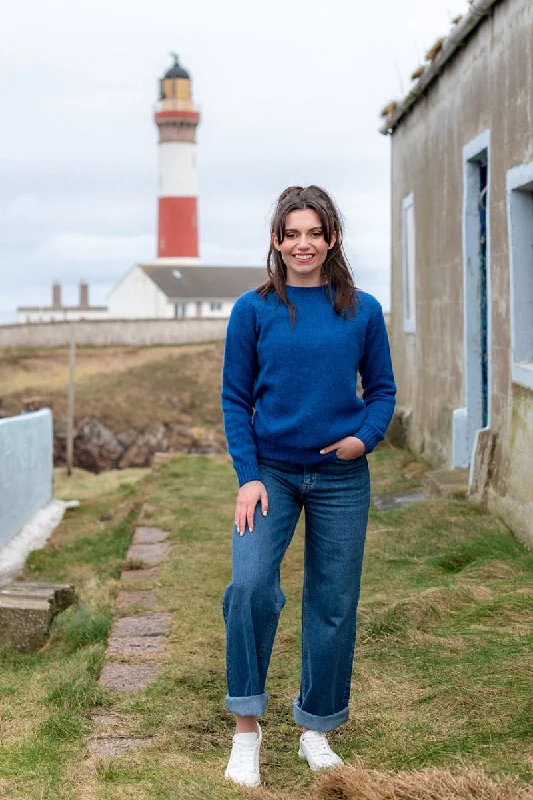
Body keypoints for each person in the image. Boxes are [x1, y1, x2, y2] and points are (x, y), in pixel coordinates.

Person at [221, 185, 396, 788]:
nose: (303, 244)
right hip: (271, 473)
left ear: (332, 239)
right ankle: (247, 729)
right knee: (248, 587)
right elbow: (235, 399)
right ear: (276, 241)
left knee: (333, 601)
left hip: (343, 477)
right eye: (291, 233)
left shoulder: (362, 309)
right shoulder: (253, 310)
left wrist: (364, 438)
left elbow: (382, 391)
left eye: (314, 233)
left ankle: (315, 727)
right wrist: (247, 477)